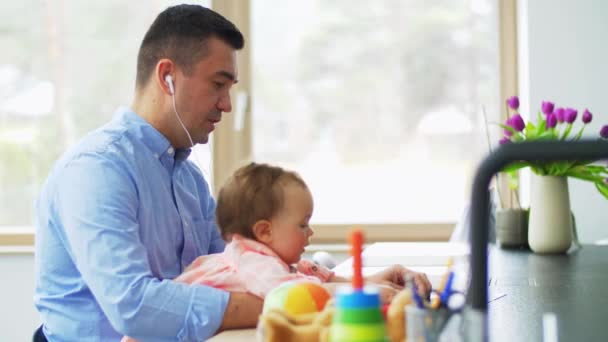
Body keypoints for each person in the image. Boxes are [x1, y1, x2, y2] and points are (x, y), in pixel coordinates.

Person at [33, 4, 429, 342]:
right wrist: (307, 302)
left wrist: (358, 288)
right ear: (167, 76)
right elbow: (133, 306)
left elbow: (244, 269)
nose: (226, 105)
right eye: (218, 85)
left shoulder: (186, 178)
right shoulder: (96, 171)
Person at [122, 162, 432, 342]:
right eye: (302, 225)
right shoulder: (250, 260)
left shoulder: (272, 259)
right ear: (264, 231)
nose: (310, 233)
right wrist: (371, 295)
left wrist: (377, 281)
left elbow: (323, 280)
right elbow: (299, 295)